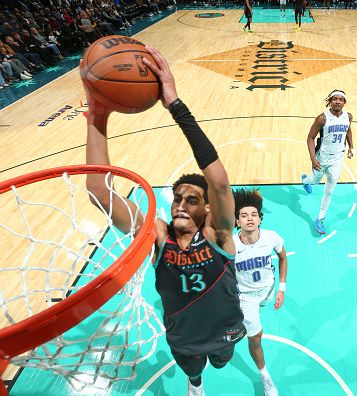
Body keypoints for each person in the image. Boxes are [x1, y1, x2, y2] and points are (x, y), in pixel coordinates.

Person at [84, 46, 245, 396]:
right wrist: (98, 114)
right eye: (178, 198)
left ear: (206, 210)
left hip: (226, 331)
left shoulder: (220, 236)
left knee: (222, 361)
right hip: (183, 338)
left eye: (192, 199)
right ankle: (195, 383)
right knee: (195, 372)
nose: (182, 205)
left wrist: (175, 103)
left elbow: (218, 182)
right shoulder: (158, 236)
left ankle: (206, 372)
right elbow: (99, 190)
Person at [232, 188, 287, 396]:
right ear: (237, 221)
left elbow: (283, 257)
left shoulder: (271, 238)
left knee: (261, 317)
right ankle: (265, 376)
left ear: (260, 220)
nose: (250, 219)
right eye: (244, 215)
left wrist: (282, 288)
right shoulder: (230, 246)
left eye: (254, 215)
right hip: (246, 298)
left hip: (268, 290)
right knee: (255, 338)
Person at [301, 90, 354, 235]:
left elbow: (348, 131)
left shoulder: (348, 116)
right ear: (329, 101)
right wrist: (313, 159)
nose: (338, 101)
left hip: (337, 158)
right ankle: (306, 181)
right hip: (322, 158)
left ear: (344, 102)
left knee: (329, 190)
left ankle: (320, 219)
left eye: (341, 99)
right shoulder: (322, 118)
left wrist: (351, 147)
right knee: (315, 181)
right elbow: (310, 138)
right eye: (335, 99)